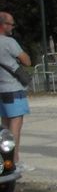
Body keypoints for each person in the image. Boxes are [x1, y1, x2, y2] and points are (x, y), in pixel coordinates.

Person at [0, 11, 32, 170]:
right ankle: (14, 161)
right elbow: (26, 60)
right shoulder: (9, 42)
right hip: (13, 88)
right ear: (3, 25)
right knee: (15, 126)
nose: (12, 27)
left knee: (4, 128)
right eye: (11, 24)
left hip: (1, 90)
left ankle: (5, 161)